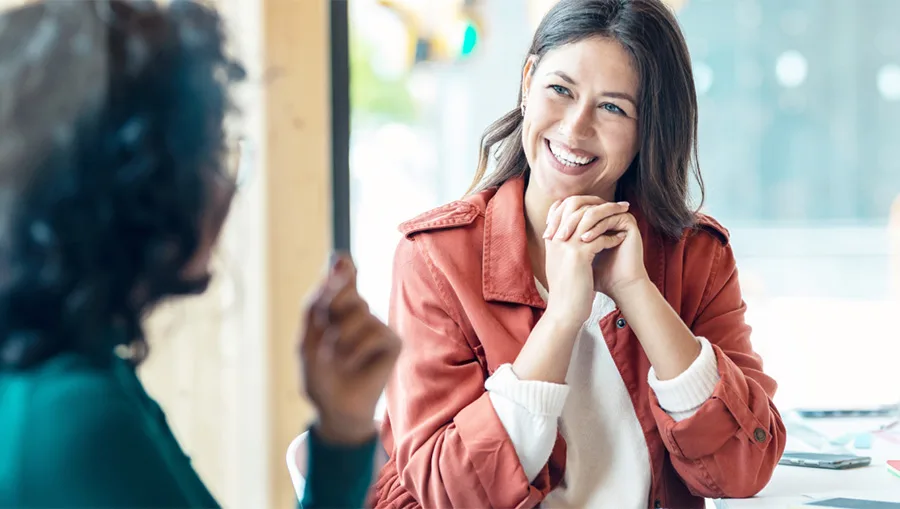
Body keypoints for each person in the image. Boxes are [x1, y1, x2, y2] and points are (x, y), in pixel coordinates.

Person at [373, 0, 785, 508]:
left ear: (647, 128)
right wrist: (563, 316)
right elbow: (451, 492)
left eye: (613, 107)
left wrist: (636, 292)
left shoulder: (696, 257)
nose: (574, 128)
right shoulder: (435, 260)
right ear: (528, 81)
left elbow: (742, 469)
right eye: (560, 90)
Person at [0, 2, 398, 508]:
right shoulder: (74, 420)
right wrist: (341, 445)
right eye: (213, 153)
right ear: (137, 182)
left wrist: (343, 428)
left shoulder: (74, 373)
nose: (227, 187)